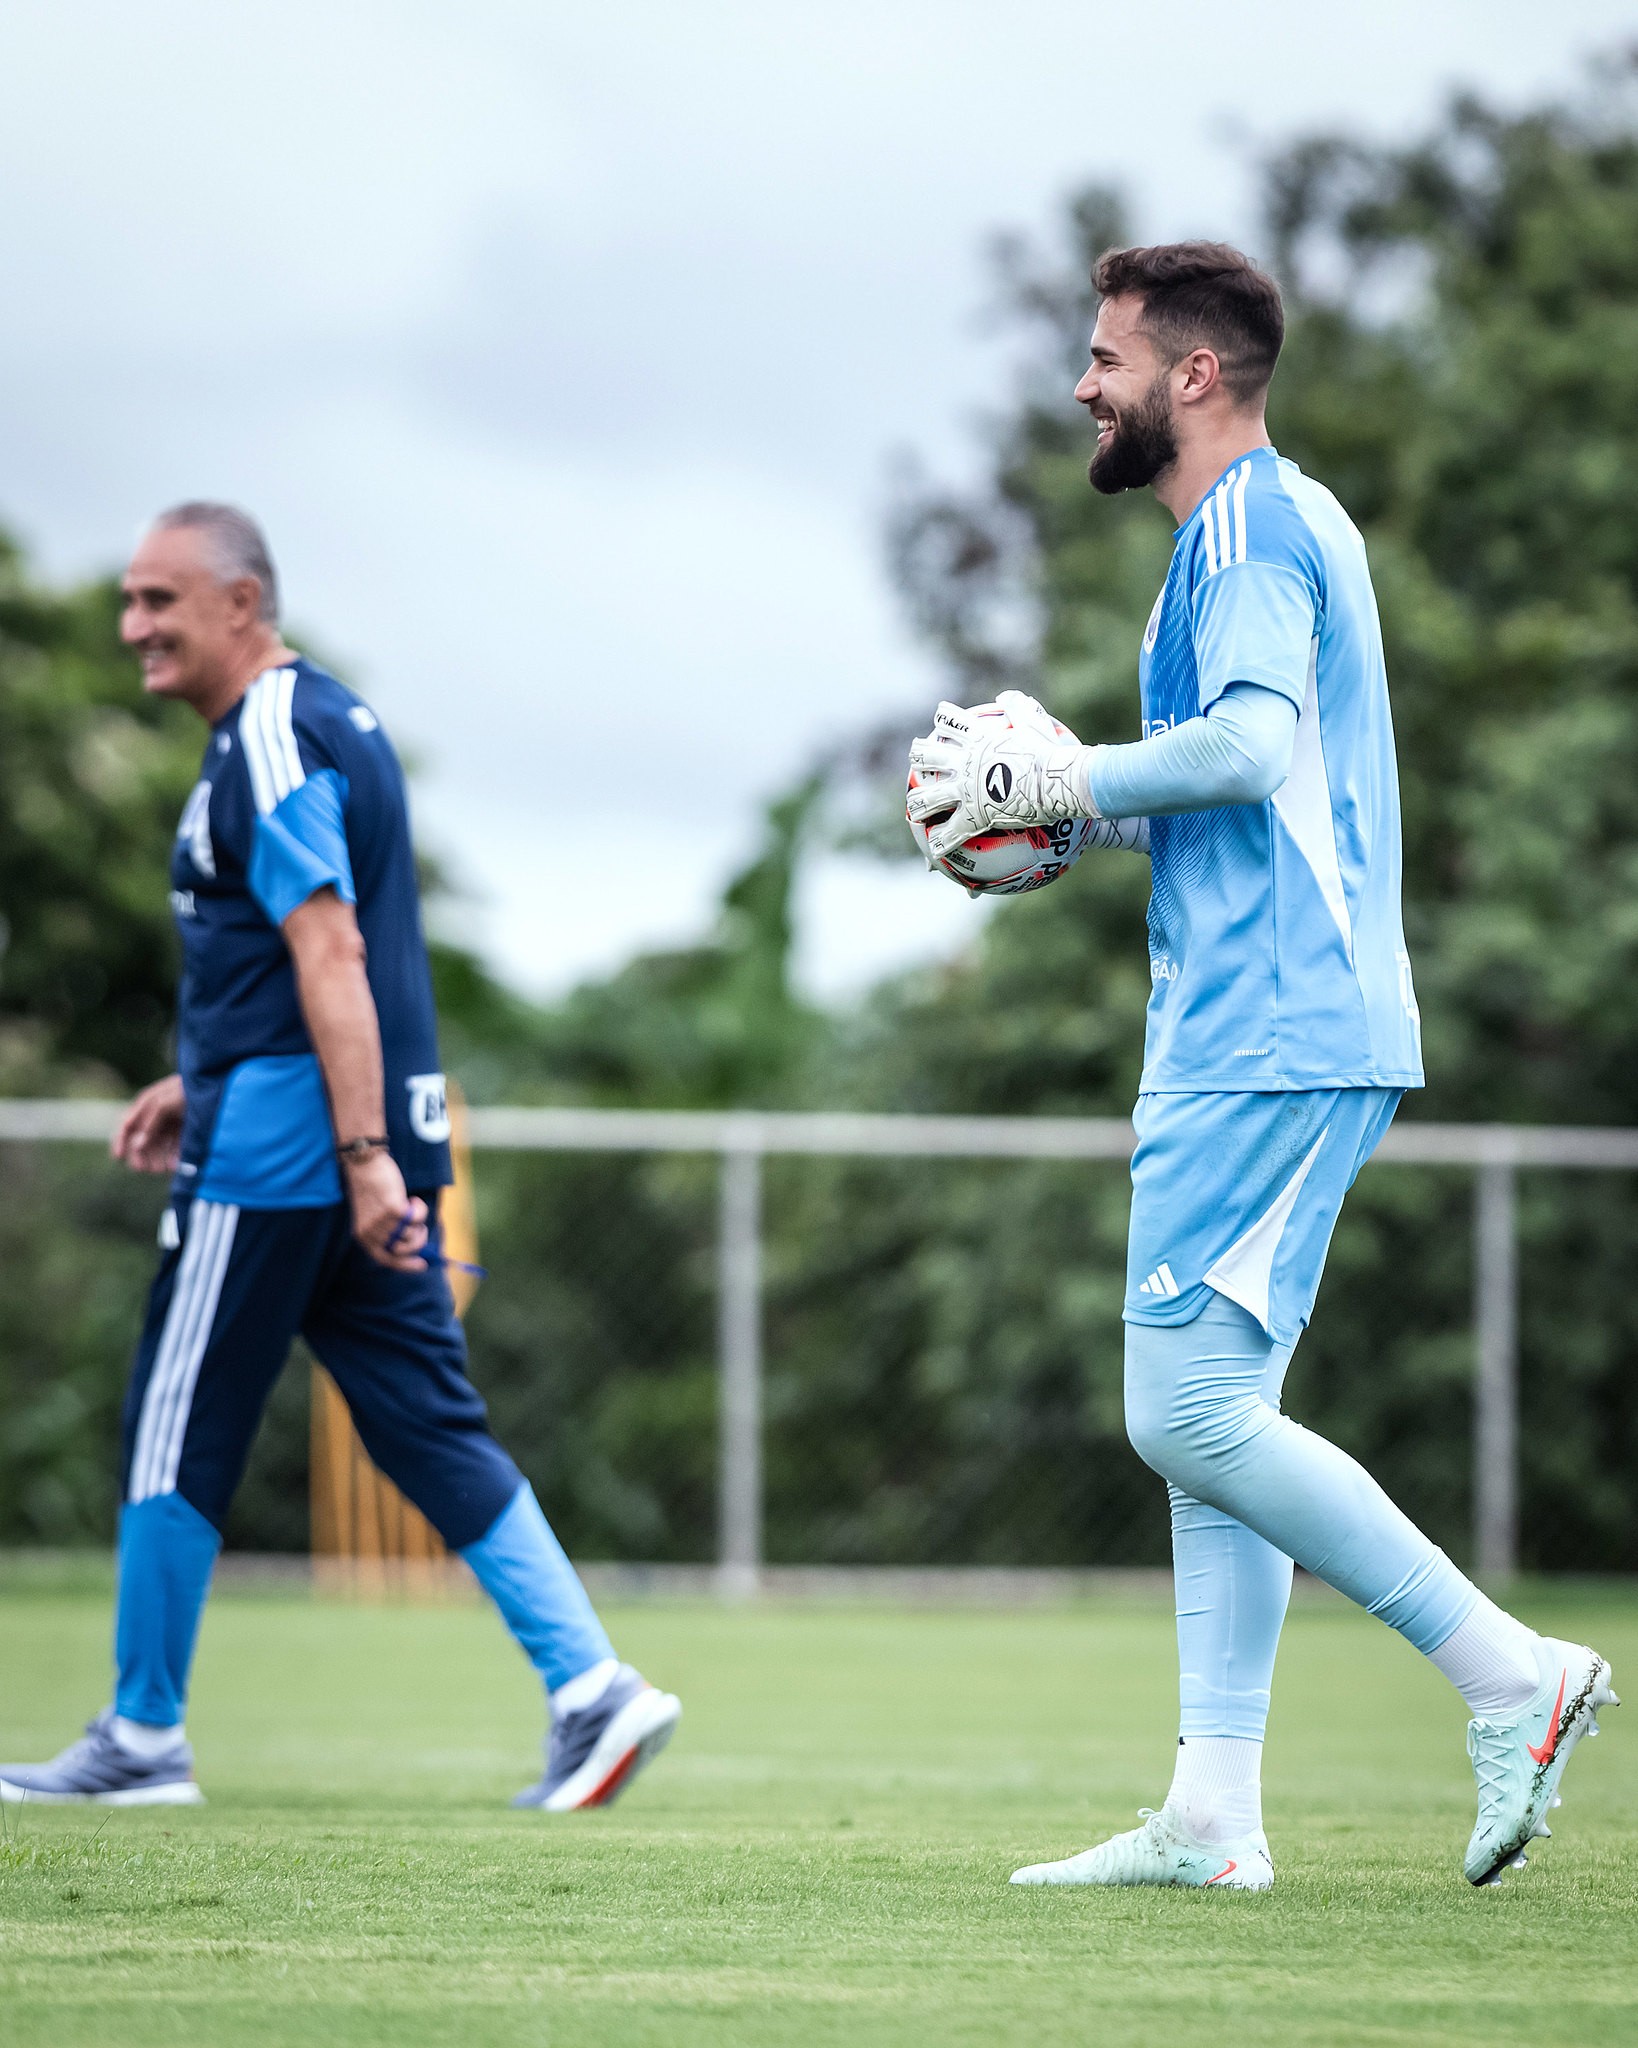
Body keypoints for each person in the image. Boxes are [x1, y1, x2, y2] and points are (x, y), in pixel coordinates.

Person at [908, 243, 1616, 1890]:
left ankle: (1514, 1676)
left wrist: (1069, 777)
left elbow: (1250, 745)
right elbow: (1232, 766)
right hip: (1254, 1027)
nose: (1083, 386)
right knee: (1212, 1413)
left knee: (1188, 1412)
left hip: (1274, 1031)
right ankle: (1212, 1816)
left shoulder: (1245, 529)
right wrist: (1072, 809)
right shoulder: (1255, 529)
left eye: (1105, 359)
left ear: (1194, 376)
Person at [0, 503, 679, 1813]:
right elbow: (295, 960)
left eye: (158, 602)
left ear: (241, 604)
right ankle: (593, 1689)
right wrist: (209, 1087)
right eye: (130, 603)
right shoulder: (337, 719)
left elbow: (330, 952)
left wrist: (353, 1151)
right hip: (328, 1123)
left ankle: (141, 1739)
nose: (133, 626)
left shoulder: (264, 737)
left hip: (289, 1151)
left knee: (170, 1422)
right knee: (427, 1419)